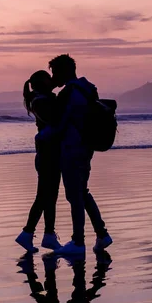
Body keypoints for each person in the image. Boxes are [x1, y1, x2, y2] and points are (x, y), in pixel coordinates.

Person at [39, 54, 112, 255]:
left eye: (55, 72)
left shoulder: (69, 93)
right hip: (86, 147)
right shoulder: (89, 88)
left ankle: (78, 242)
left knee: (74, 196)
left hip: (72, 148)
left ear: (64, 71)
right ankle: (102, 235)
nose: (53, 77)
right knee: (82, 192)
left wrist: (41, 137)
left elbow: (60, 124)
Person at [15, 70, 62, 253]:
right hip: (47, 153)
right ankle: (29, 232)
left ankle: (46, 234)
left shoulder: (42, 99)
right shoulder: (40, 101)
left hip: (50, 152)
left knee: (49, 196)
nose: (52, 80)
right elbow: (55, 119)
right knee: (45, 196)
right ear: (42, 83)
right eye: (48, 78)